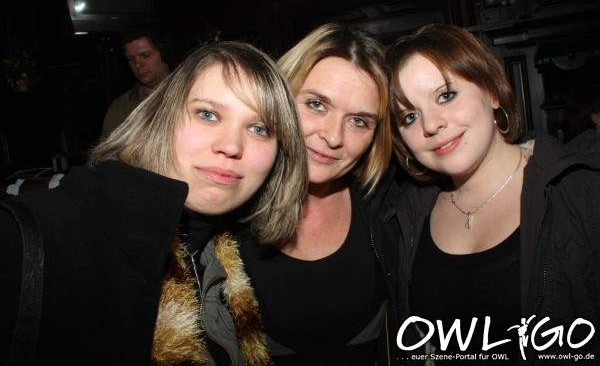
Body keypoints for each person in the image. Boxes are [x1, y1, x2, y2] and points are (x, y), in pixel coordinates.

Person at [0, 41, 308, 365]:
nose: (231, 145)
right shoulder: (37, 239)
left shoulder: (239, 251)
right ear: (162, 118)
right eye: (207, 114)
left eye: (259, 128)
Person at [386, 23, 600, 363]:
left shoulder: (579, 191)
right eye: (409, 116)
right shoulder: (405, 215)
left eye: (446, 96)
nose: (430, 124)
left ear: (491, 91)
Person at [238, 22, 401, 365]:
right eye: (316, 104)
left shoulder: (391, 208)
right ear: (278, 97)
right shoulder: (220, 217)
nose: (333, 136)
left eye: (359, 121)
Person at [100, 26, 172, 139]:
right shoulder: (120, 108)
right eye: (131, 59)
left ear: (164, 53)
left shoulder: (190, 92)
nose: (137, 65)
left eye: (145, 55)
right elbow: (108, 149)